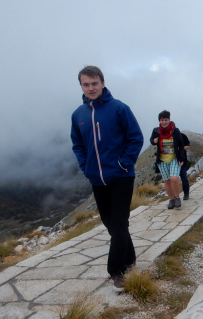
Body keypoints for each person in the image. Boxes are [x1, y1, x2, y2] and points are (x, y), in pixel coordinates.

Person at [70, 66, 144, 292]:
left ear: (102, 83)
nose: (91, 88)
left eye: (94, 83)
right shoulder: (78, 115)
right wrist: (86, 167)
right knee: (111, 225)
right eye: (86, 84)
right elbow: (78, 145)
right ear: (81, 86)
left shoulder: (119, 108)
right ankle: (130, 257)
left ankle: (117, 272)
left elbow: (136, 138)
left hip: (121, 175)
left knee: (119, 223)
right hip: (97, 179)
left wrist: (124, 163)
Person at [150, 111, 186, 209]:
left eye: (166, 120)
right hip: (162, 160)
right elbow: (152, 141)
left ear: (169, 120)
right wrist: (154, 141)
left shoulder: (175, 131)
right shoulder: (156, 131)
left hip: (174, 158)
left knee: (174, 178)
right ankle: (171, 200)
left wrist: (181, 157)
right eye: (162, 120)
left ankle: (177, 197)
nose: (164, 122)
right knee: (167, 181)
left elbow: (181, 144)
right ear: (159, 121)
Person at [179, 132, 191, 200]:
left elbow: (188, 146)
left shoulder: (182, 136)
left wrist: (180, 148)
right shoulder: (168, 137)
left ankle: (186, 193)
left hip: (182, 160)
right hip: (171, 161)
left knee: (183, 177)